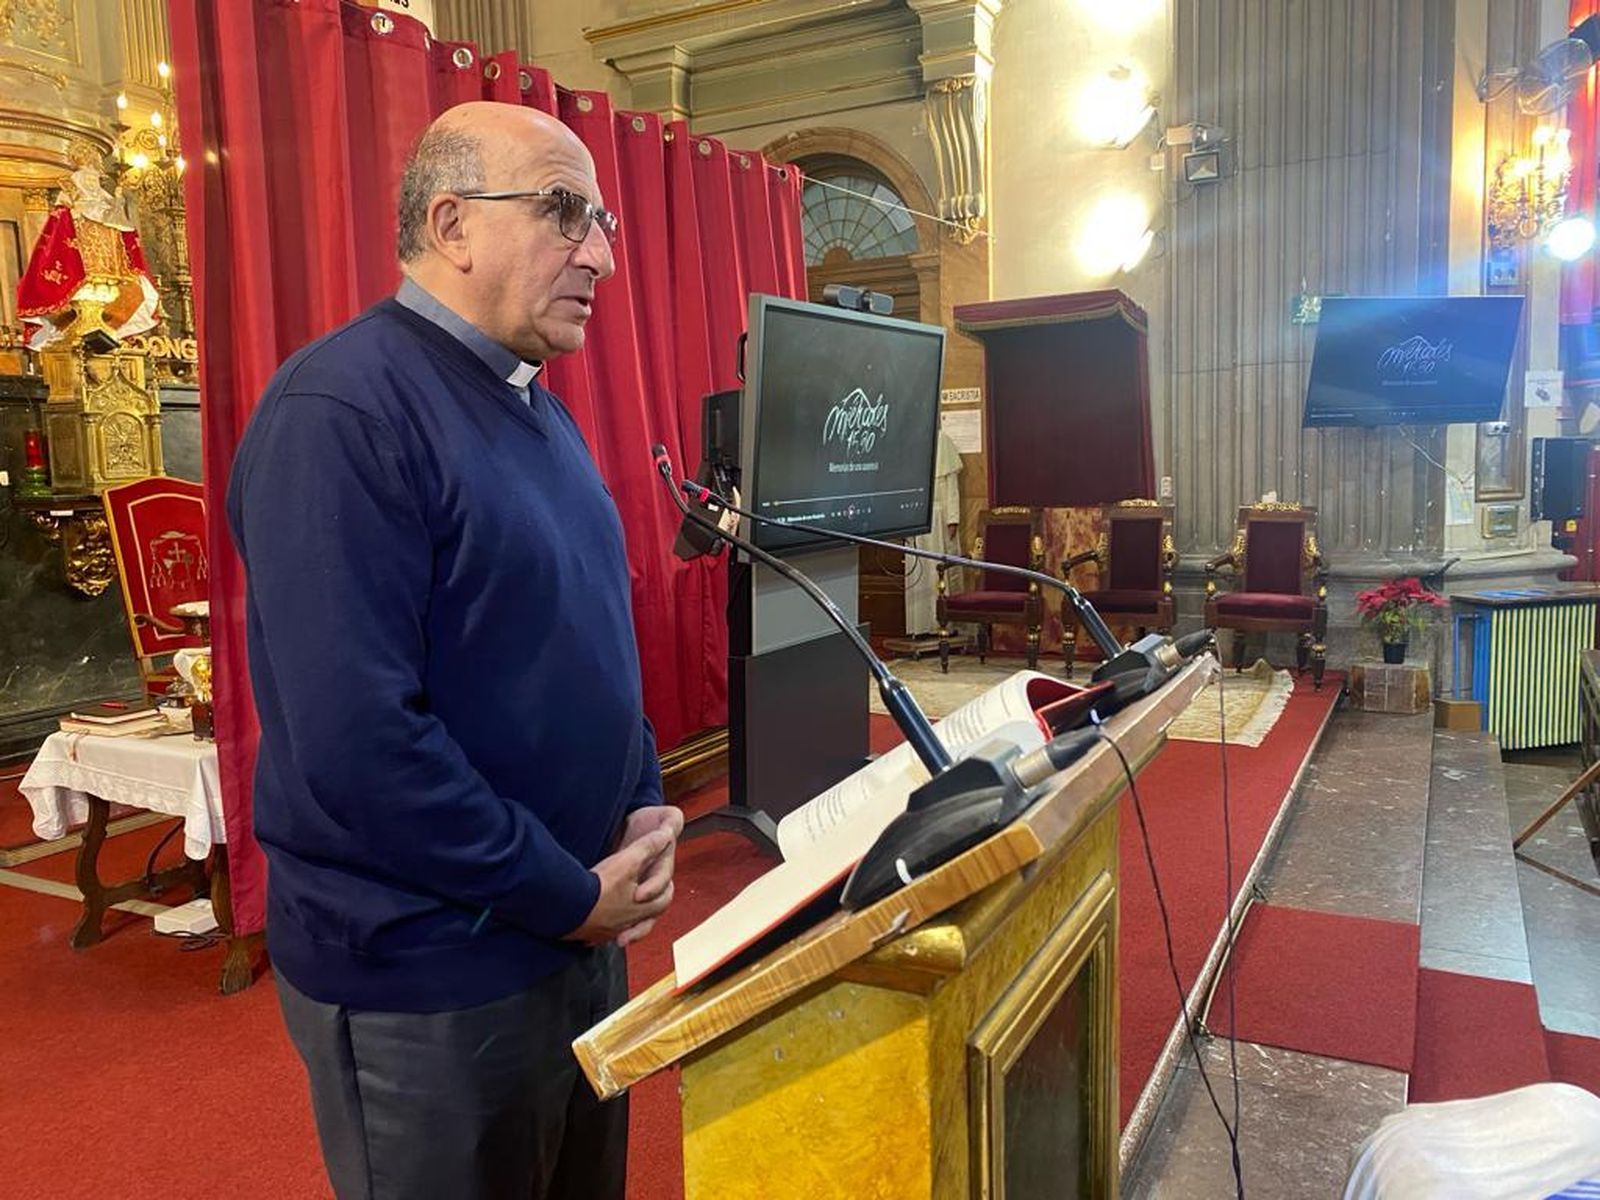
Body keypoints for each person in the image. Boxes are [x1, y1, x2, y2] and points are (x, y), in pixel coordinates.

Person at [227, 101, 683, 1200]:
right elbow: (358, 744)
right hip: (431, 973)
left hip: (569, 932)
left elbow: (579, 641)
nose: (603, 256)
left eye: (604, 219)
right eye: (566, 213)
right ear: (451, 223)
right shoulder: (341, 411)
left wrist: (640, 805)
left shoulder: (540, 410)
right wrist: (560, 889)